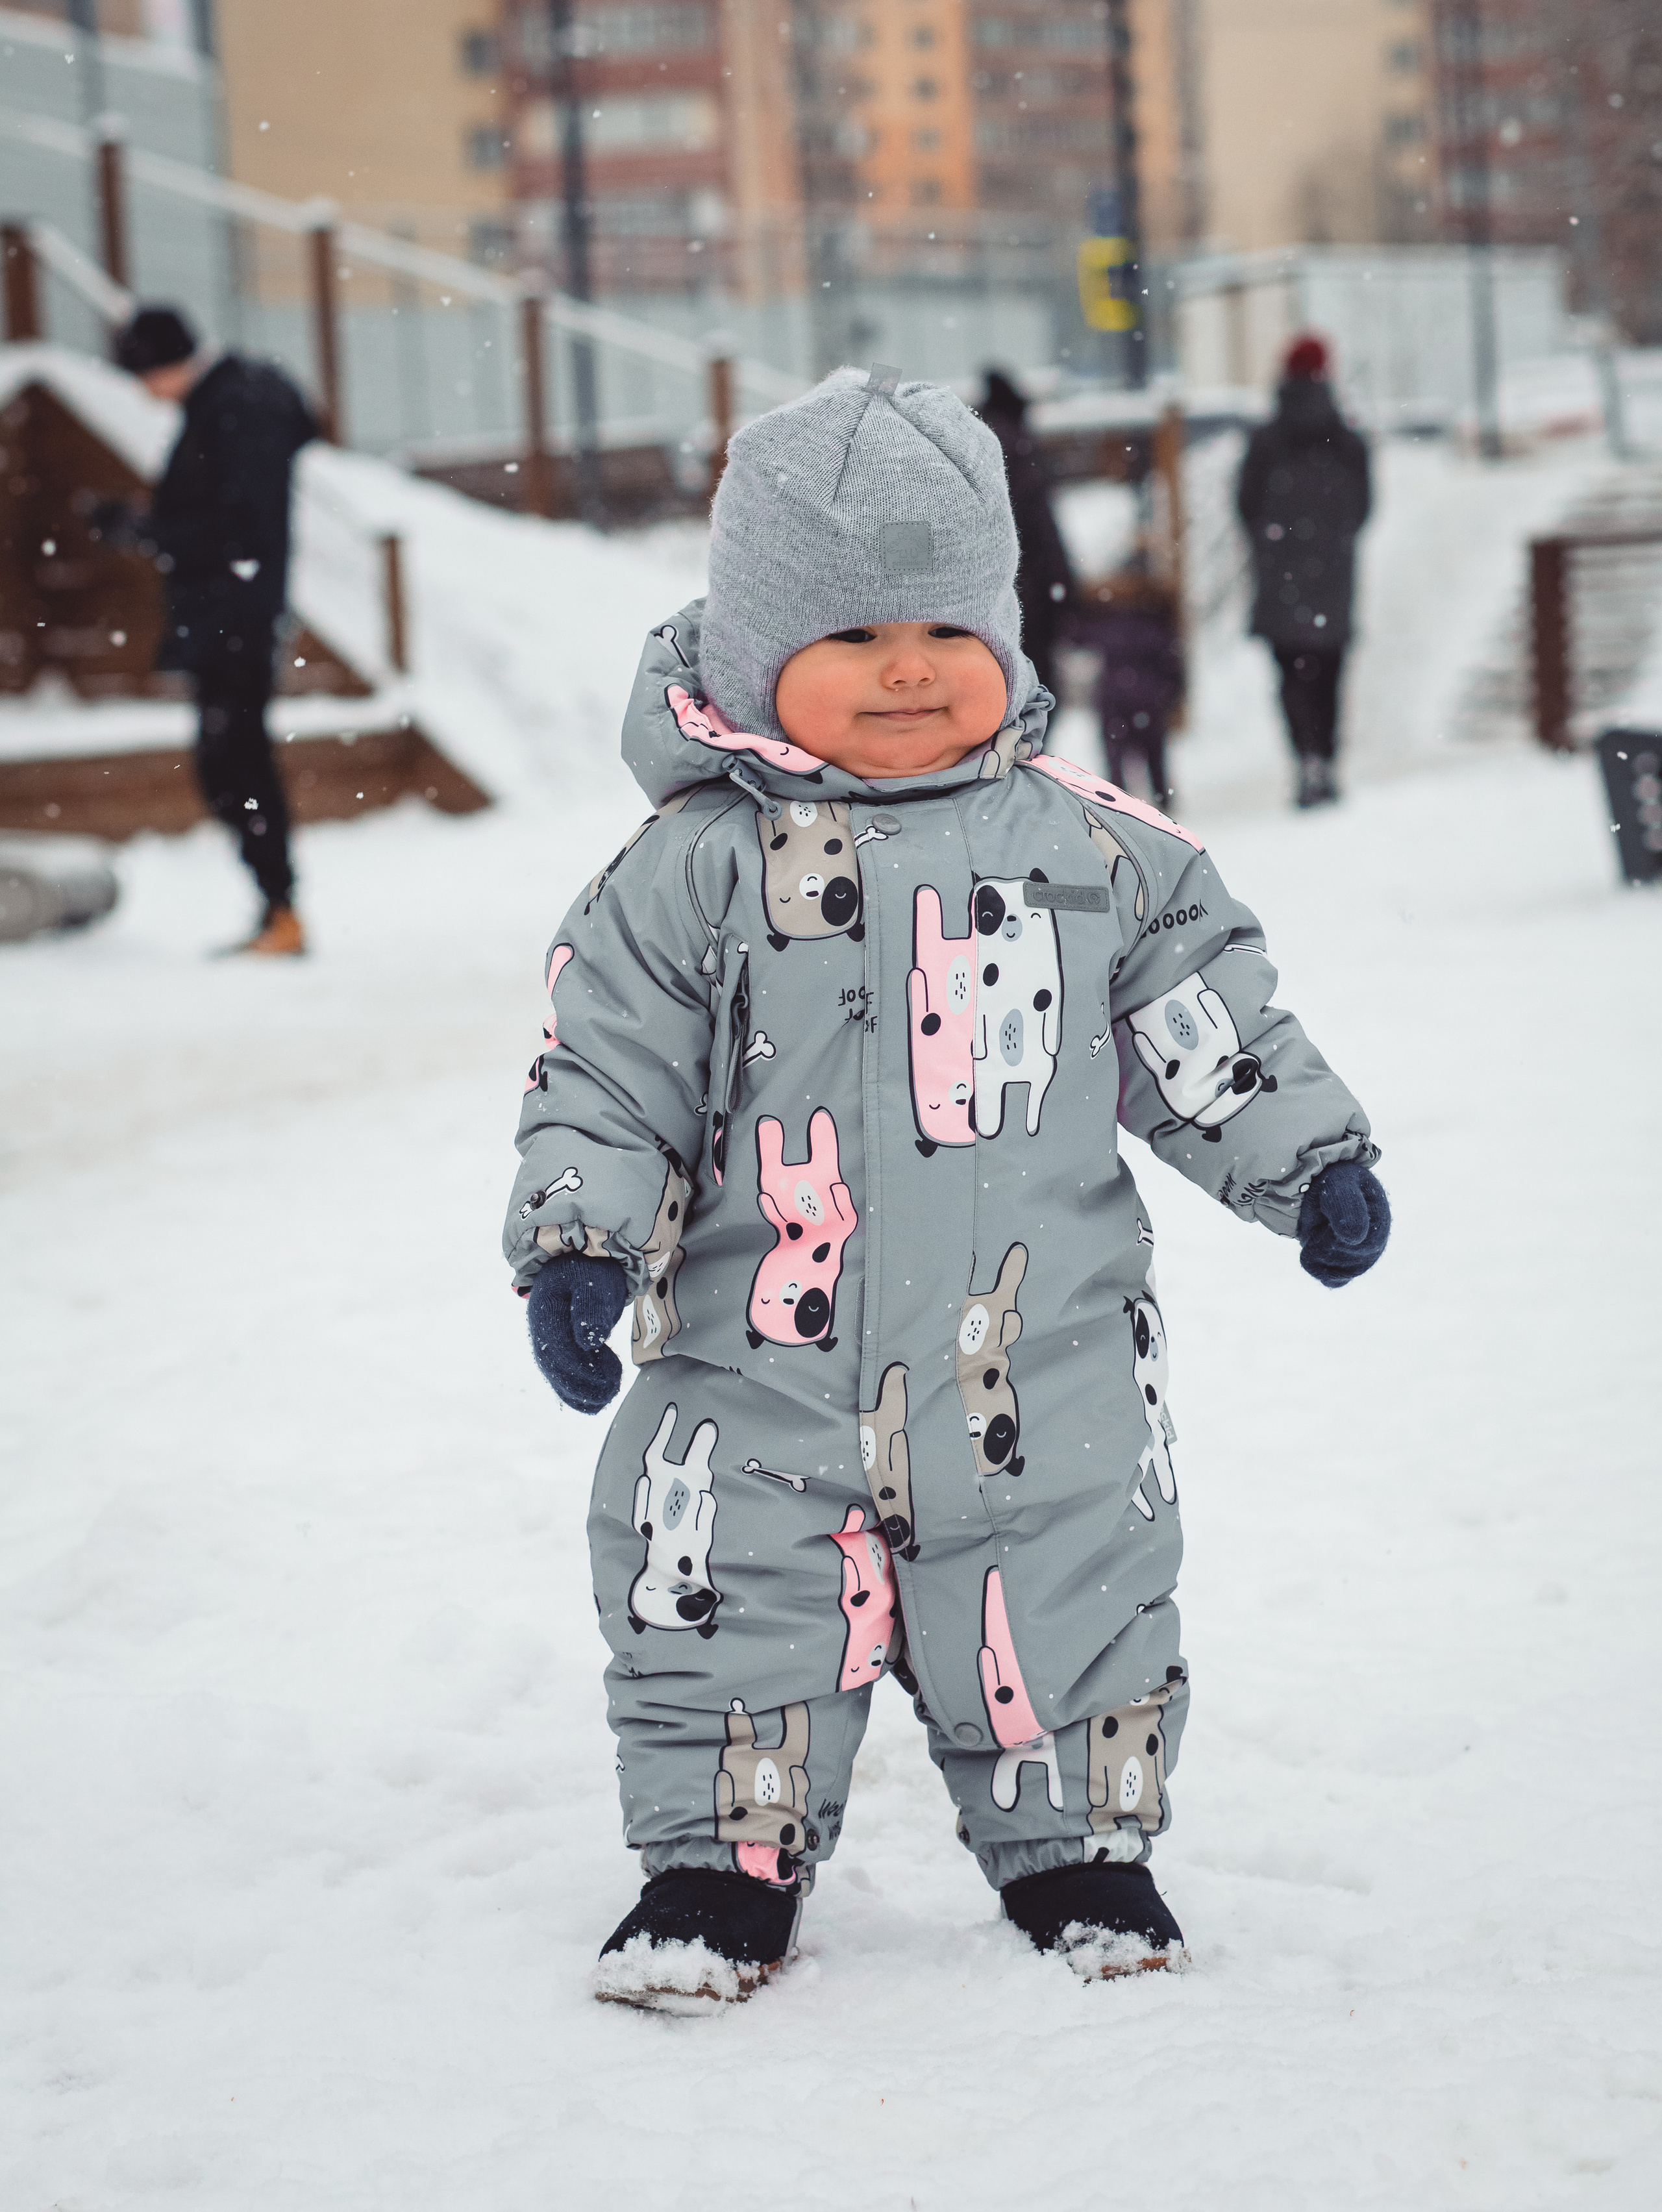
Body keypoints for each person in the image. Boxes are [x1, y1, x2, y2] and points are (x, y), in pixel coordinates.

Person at [504, 366, 1391, 2011]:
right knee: (725, 1600)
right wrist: (576, 1238)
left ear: (1002, 633)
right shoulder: (689, 869)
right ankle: (719, 1858)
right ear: (755, 653)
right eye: (848, 638)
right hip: (751, 1364)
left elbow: (1200, 1020)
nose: (905, 668)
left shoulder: (1098, 852)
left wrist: (1307, 1159)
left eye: (942, 630)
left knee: (1066, 1583)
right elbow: (605, 1072)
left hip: (1033, 1352)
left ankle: (1078, 1843)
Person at [109, 305, 317, 954]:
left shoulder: (232, 407)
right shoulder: (229, 402)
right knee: (231, 762)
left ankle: (280, 907)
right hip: (230, 613)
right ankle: (276, 906)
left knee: (234, 762)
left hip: (235, 617)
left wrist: (143, 529)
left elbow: (235, 524)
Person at [1235, 334, 1371, 810]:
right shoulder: (1347, 439)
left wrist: (1278, 545)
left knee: (1292, 676)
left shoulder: (1266, 440)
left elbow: (1246, 506)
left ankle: (1305, 760)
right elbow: (1364, 507)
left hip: (1281, 583)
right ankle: (1327, 761)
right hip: (1332, 581)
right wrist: (1330, 543)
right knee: (1330, 675)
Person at [978, 367, 1074, 702]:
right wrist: (1064, 590)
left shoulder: (973, 446)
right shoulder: (1016, 448)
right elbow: (1042, 528)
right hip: (1027, 593)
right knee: (1035, 692)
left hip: (988, 600)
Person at [1073, 564, 1185, 810]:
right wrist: (1172, 694)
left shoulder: (1104, 621)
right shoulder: (1155, 623)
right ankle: (1163, 801)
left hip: (1114, 700)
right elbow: (1173, 665)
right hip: (1149, 701)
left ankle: (1117, 804)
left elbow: (1075, 636)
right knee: (1155, 756)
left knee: (1115, 758)